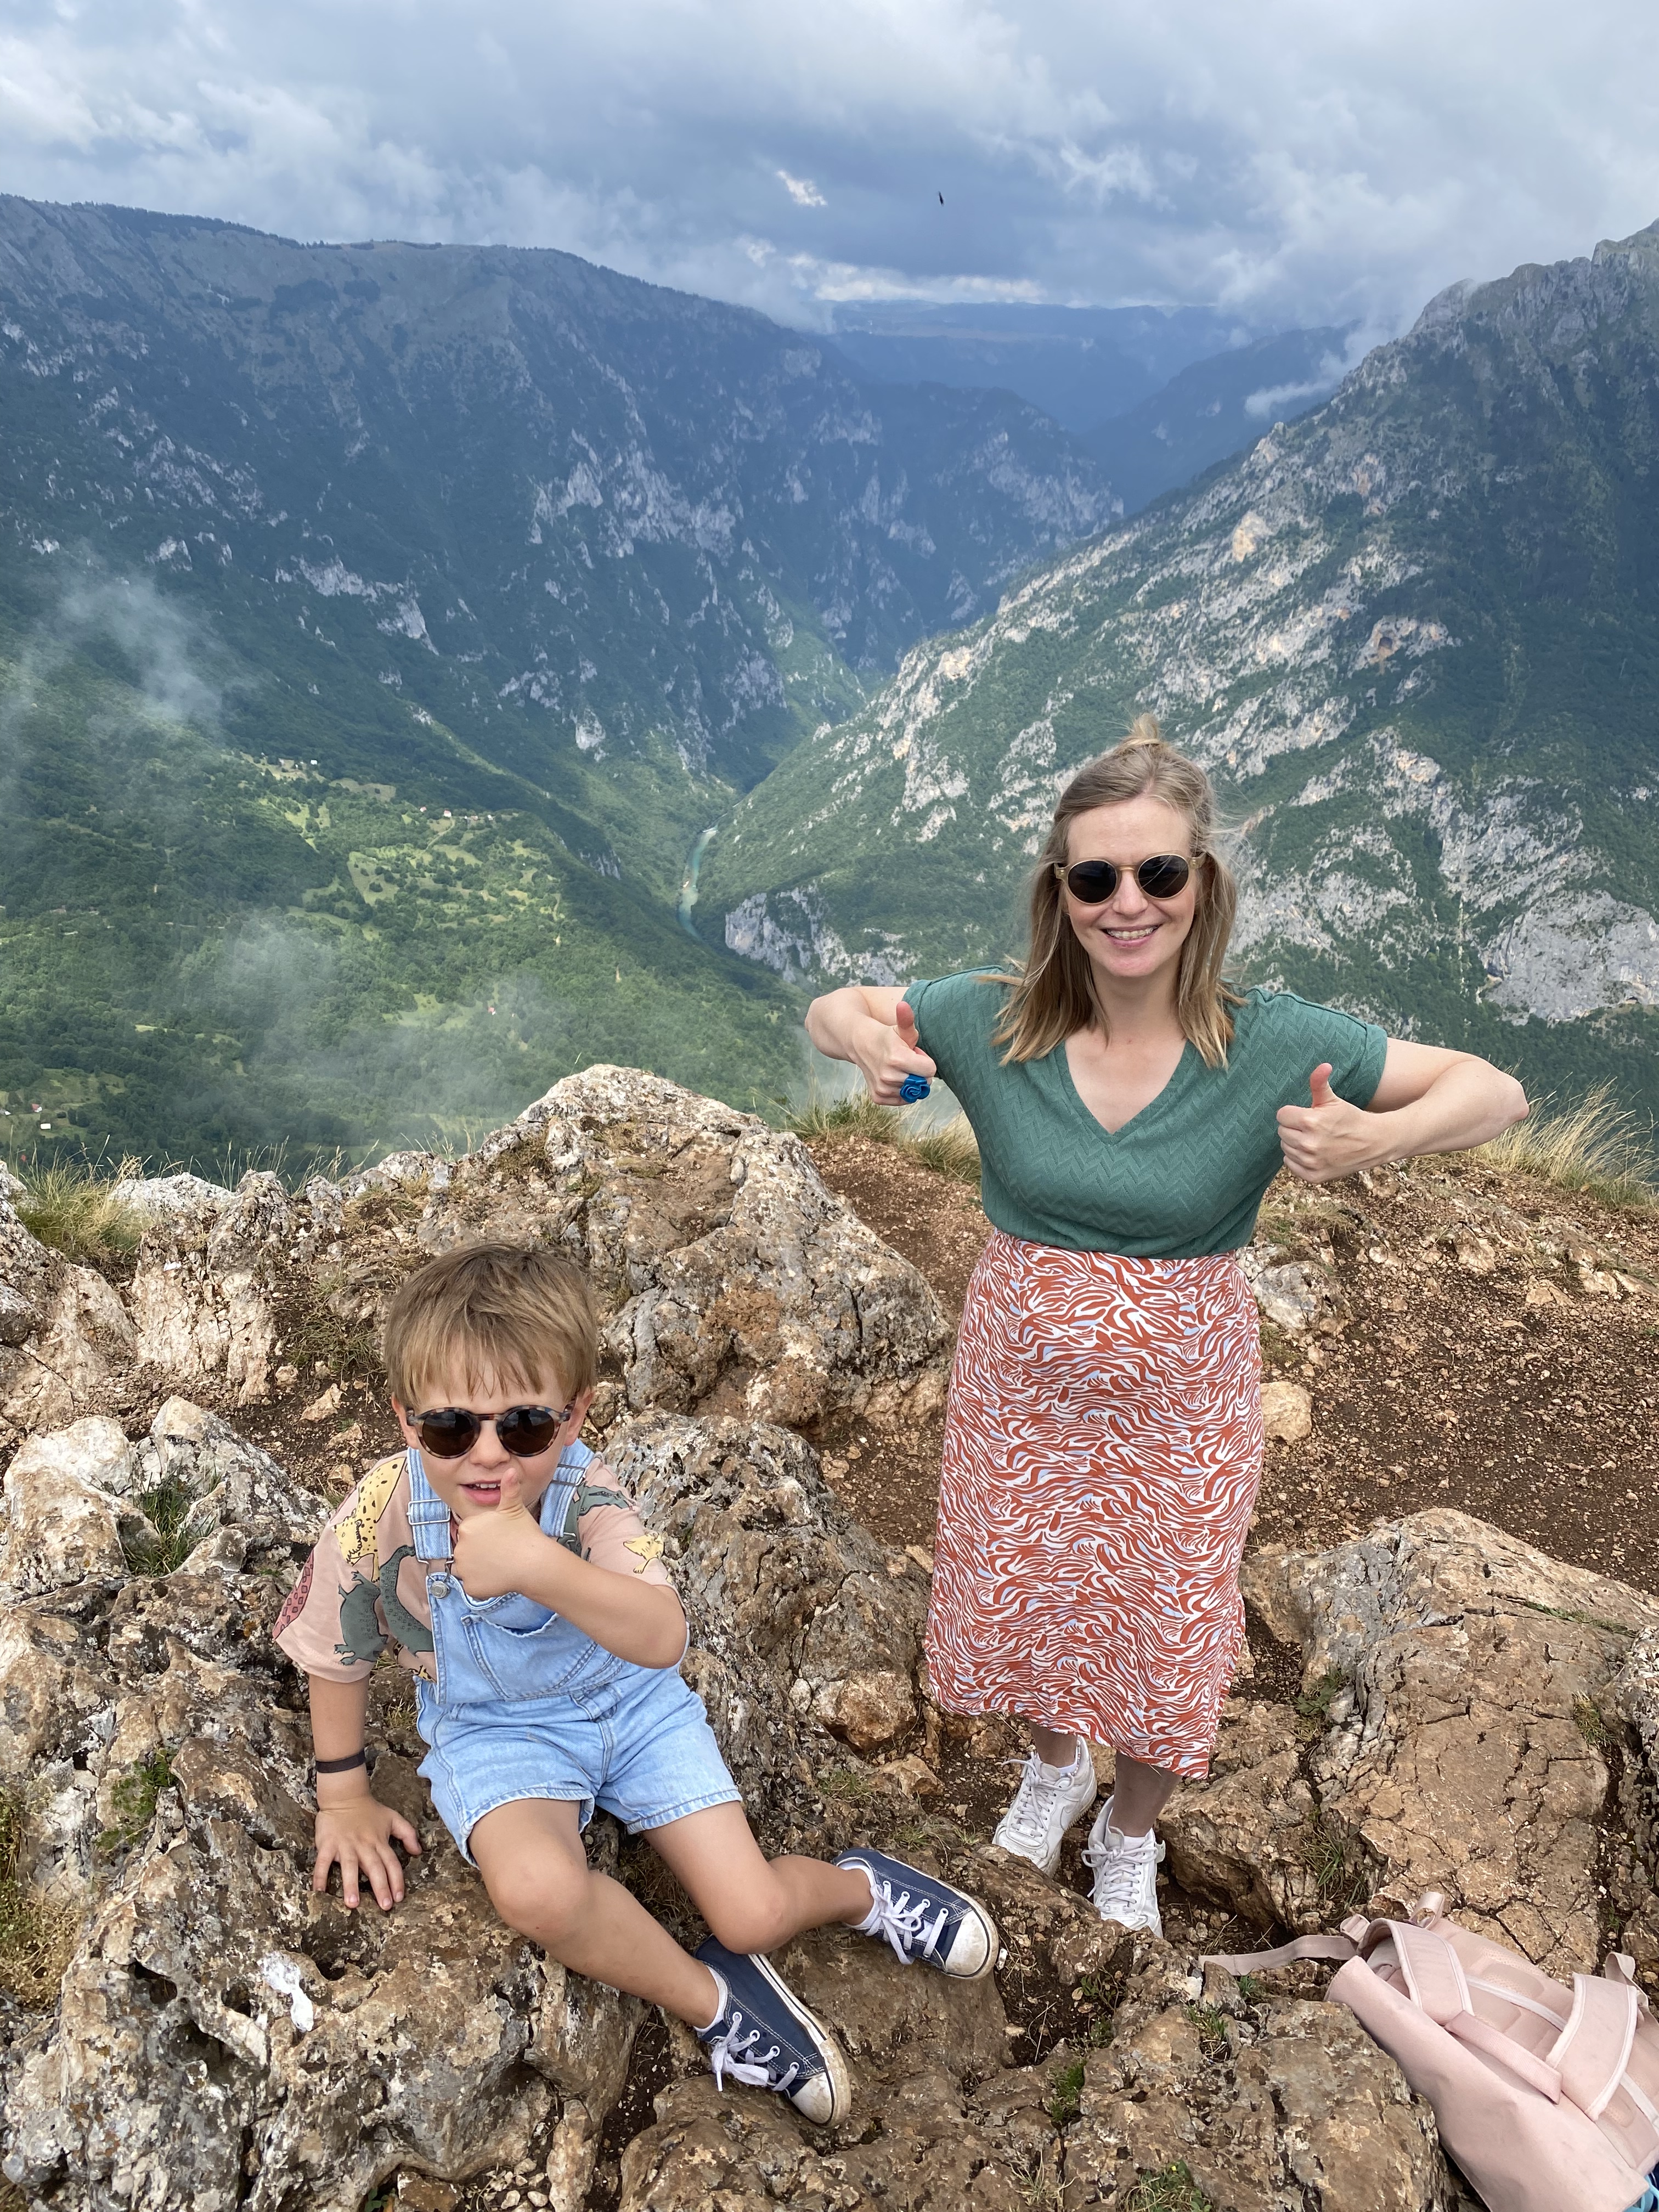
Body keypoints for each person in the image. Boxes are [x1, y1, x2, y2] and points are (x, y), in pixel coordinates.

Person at [805, 717, 1527, 1937]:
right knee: (1020, 1584)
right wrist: (872, 1038)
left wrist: (1378, 1137)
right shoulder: (995, 1022)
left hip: (1182, 1398)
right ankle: (1052, 1769)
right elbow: (835, 1007)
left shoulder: (1275, 1041)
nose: (1126, 902)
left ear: (1205, 886)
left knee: (1166, 1613)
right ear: (1060, 891)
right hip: (1018, 1389)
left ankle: (1129, 1834)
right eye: (1095, 877)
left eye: (1159, 873)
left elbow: (1495, 1091)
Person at [273, 1241, 998, 2126]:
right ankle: (714, 2003)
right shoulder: (383, 1512)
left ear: (574, 1418)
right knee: (537, 1891)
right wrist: (342, 1793)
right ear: (405, 1420)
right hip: (498, 1733)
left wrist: (537, 1562)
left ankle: (862, 1889)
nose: (488, 1455)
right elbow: (330, 1645)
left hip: (631, 1705)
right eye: (451, 1428)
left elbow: (661, 1635)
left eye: (526, 1426)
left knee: (755, 1912)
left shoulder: (589, 1496)